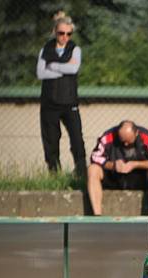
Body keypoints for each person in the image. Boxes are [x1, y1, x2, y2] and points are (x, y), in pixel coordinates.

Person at [36, 12, 86, 178]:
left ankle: (80, 170)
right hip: (49, 102)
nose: (65, 37)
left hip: (69, 101)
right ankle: (54, 173)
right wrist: (63, 68)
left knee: (76, 138)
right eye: (61, 33)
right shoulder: (46, 49)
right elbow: (41, 73)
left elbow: (73, 69)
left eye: (69, 34)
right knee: (51, 139)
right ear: (55, 32)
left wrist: (53, 66)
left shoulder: (75, 49)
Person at [87, 120, 148, 216]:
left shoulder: (147, 138)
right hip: (115, 177)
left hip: (139, 177)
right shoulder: (108, 137)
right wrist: (113, 165)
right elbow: (95, 157)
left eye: (128, 141)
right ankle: (97, 215)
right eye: (122, 140)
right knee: (92, 169)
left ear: (136, 133)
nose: (125, 144)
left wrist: (135, 164)